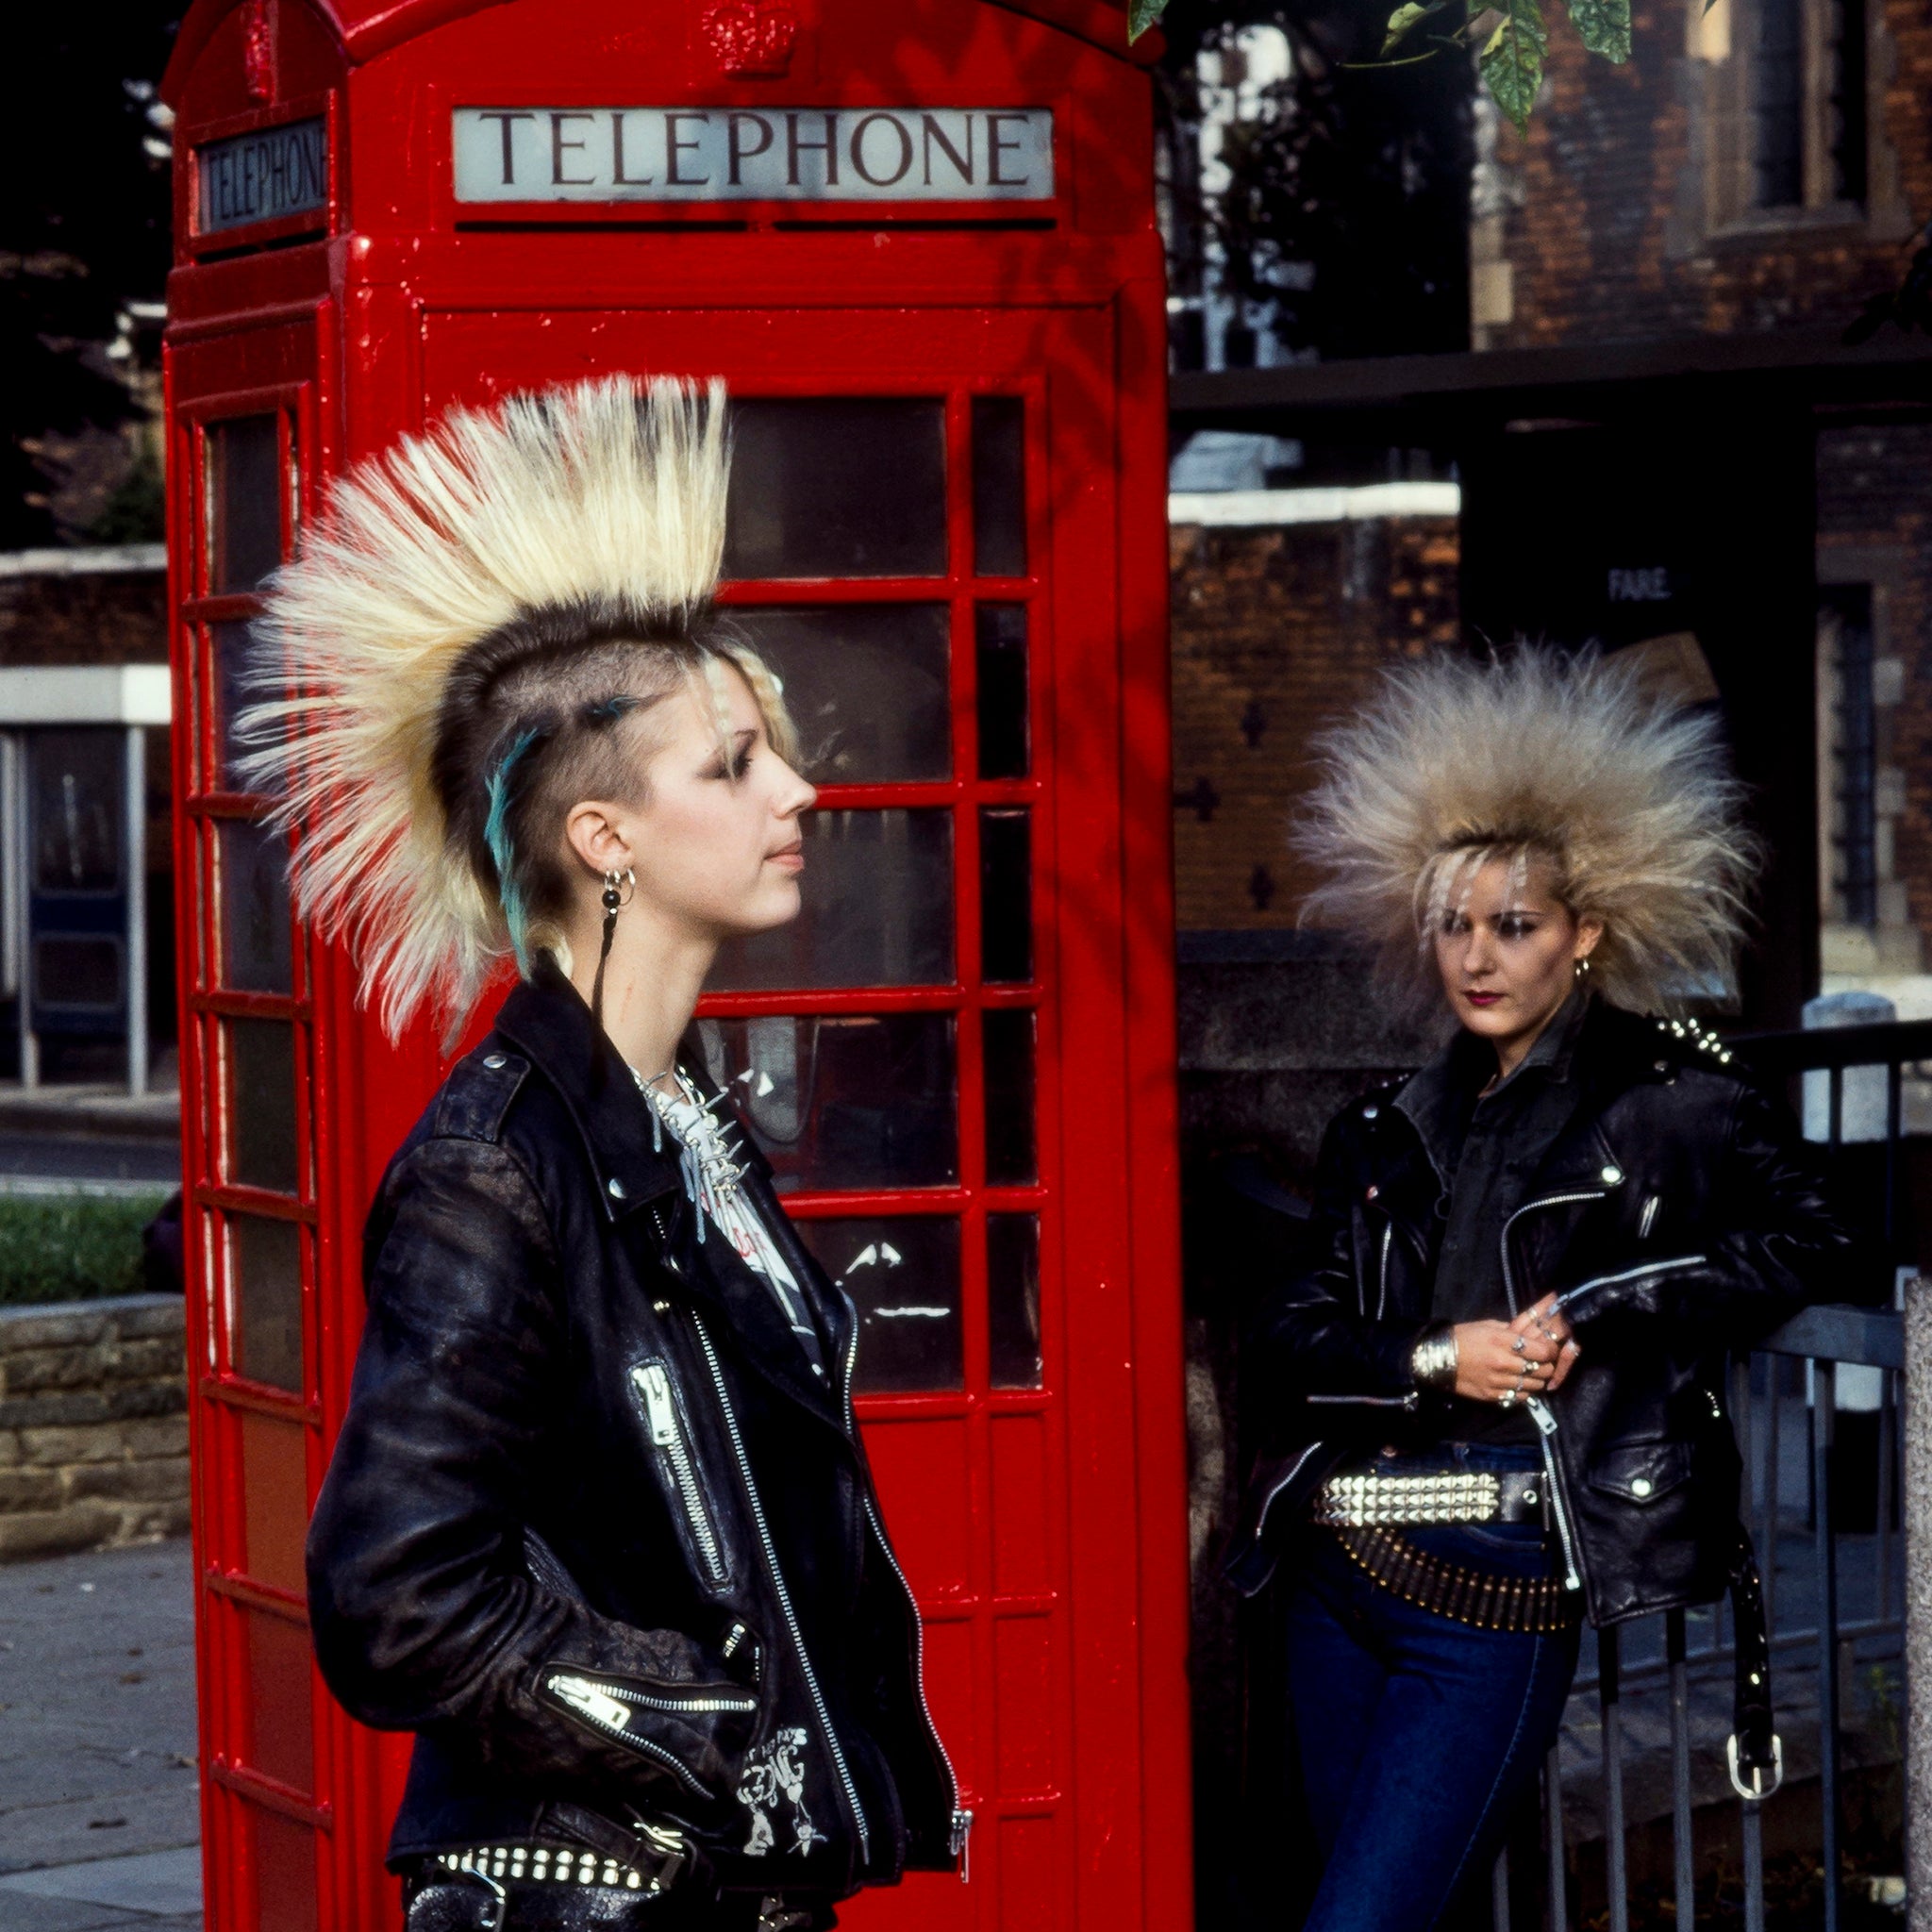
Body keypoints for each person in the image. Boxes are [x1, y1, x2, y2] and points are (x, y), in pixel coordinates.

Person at [242, 378, 967, 1932]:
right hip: (596, 1901)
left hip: (724, 1891)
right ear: (605, 839)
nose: (801, 792)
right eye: (733, 765)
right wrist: (708, 1726)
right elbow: (392, 1603)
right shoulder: (494, 1173)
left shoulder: (684, 1126)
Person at [1221, 648, 1857, 1932]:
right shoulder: (1387, 1121)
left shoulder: (1670, 1102)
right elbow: (1290, 1333)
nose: (1478, 957)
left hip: (1498, 1576)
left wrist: (1610, 1306)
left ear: (1588, 936)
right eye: (1454, 925)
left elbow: (1814, 1239)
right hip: (1334, 1573)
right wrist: (1432, 1357)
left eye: (1514, 926)